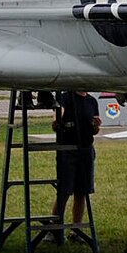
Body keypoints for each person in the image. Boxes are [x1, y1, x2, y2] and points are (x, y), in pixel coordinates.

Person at [51, 89, 101, 232]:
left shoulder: (92, 101)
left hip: (86, 150)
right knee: (64, 191)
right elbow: (56, 120)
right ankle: (54, 229)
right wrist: (57, 119)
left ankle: (76, 230)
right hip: (67, 150)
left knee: (82, 192)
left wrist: (96, 126)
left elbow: (94, 130)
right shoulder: (65, 97)